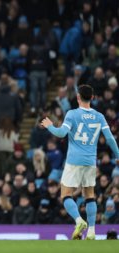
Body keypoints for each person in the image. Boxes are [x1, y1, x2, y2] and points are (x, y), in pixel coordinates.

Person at [41, 84, 119, 240]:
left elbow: (61, 133)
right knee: (89, 195)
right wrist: (118, 154)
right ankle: (91, 231)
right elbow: (110, 138)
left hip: (74, 161)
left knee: (65, 194)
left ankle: (78, 220)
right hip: (90, 161)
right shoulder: (99, 116)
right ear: (92, 97)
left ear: (78, 97)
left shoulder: (72, 114)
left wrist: (49, 126)